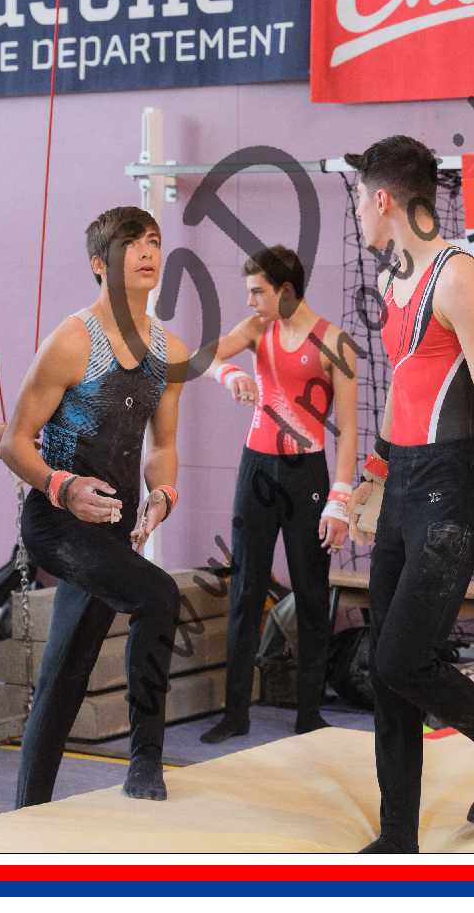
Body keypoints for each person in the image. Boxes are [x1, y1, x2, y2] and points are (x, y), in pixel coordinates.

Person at [345, 136, 474, 853]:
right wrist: (375, 471)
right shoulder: (394, 276)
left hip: (455, 487)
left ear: (382, 199)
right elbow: (407, 382)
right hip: (405, 479)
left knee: (403, 659)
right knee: (385, 666)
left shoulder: (458, 276)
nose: (357, 215)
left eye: (358, 200)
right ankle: (398, 834)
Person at [0, 206, 188, 806]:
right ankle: (146, 760)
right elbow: (14, 441)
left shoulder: (169, 351)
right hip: (56, 521)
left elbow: (163, 446)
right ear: (99, 264)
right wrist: (63, 487)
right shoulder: (73, 341)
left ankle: (27, 809)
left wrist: (163, 495)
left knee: (66, 674)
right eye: (130, 243)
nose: (146, 251)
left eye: (153, 240)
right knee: (159, 595)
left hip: (110, 528)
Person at [199, 246, 358, 743]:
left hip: (306, 476)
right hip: (257, 471)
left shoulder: (334, 342)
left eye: (257, 292)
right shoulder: (256, 330)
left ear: (285, 291)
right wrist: (231, 373)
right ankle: (235, 713)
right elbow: (203, 357)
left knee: (311, 593)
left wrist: (340, 500)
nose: (249, 302)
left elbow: (349, 430)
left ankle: (309, 713)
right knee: (246, 589)